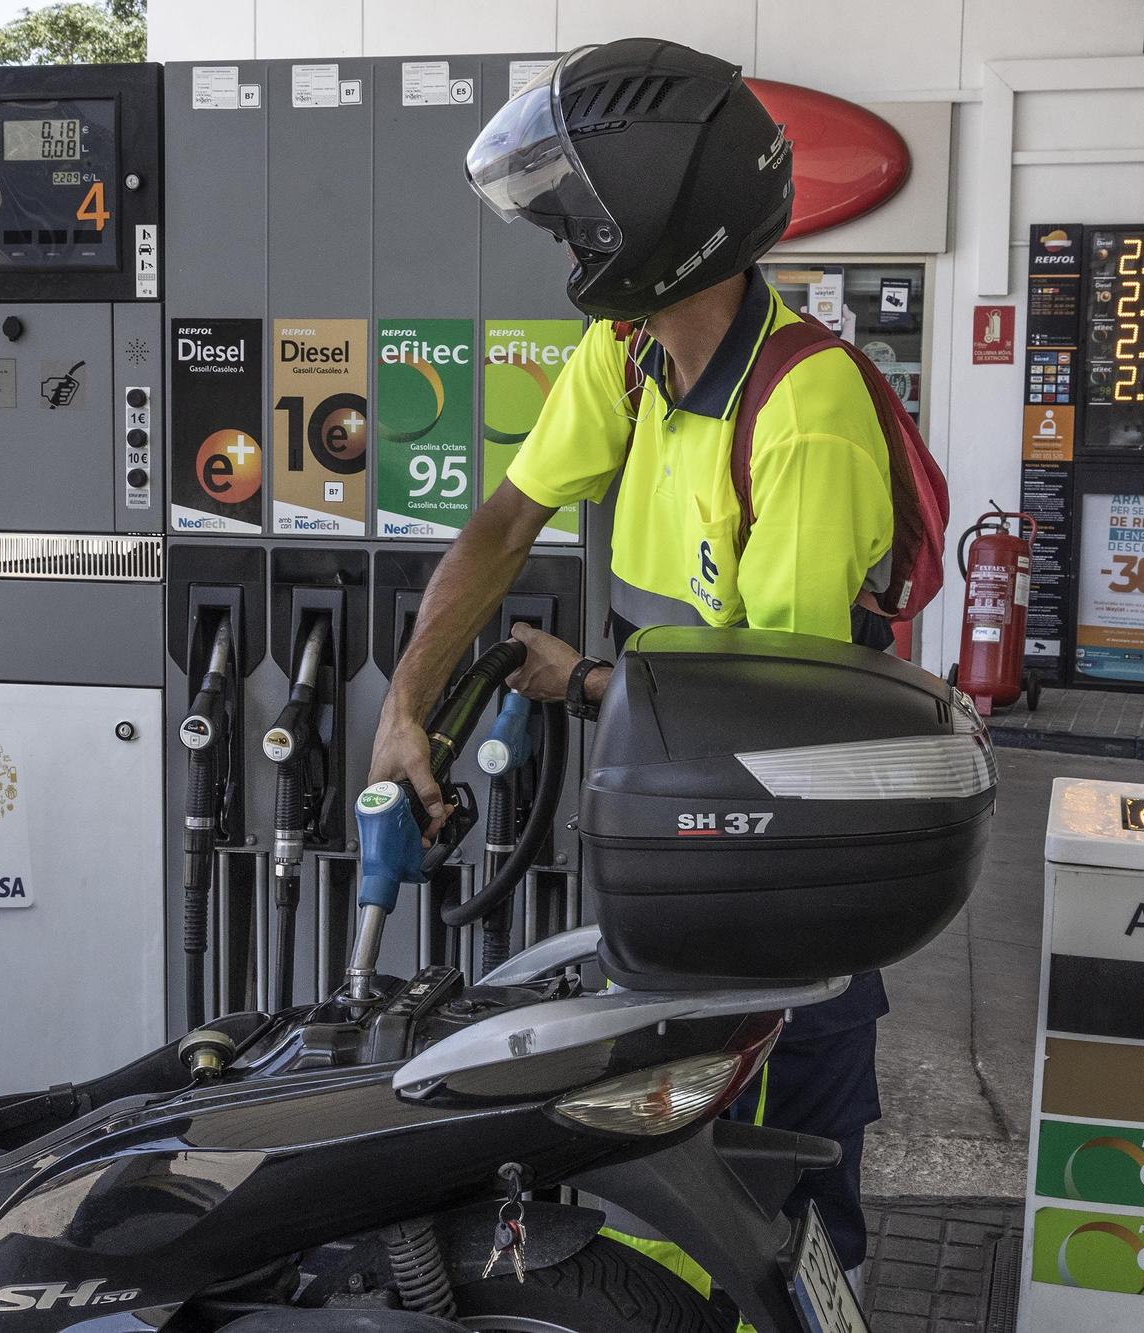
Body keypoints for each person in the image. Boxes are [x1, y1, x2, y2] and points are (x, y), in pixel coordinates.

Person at [368, 38, 895, 1276]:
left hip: (780, 892)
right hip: (682, 837)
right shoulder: (633, 354)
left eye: (579, 220)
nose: (566, 248)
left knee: (769, 1216)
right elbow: (506, 519)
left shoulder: (807, 415)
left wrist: (582, 681)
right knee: (669, 1189)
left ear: (665, 216)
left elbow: (777, 719)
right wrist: (406, 704)